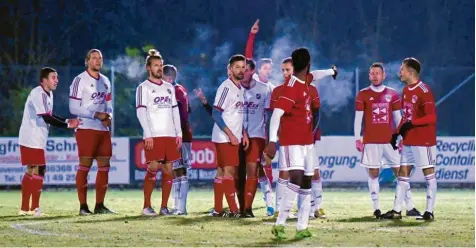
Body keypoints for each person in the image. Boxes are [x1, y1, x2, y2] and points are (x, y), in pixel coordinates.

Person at [269, 57, 337, 219]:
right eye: (283, 70)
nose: (285, 73)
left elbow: (316, 113)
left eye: (288, 69)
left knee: (313, 173)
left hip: (307, 139)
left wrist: (311, 134)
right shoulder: (278, 91)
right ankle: (280, 208)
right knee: (285, 174)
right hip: (288, 140)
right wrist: (274, 138)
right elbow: (274, 115)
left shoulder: (310, 88)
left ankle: (316, 207)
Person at [354, 62, 420, 218]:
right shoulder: (363, 94)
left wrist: (403, 136)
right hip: (371, 141)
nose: (375, 76)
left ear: (384, 76)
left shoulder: (393, 94)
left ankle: (410, 207)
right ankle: (376, 208)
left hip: (390, 141)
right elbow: (358, 119)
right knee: (373, 174)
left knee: (401, 173)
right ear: (369, 76)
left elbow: (398, 118)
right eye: (372, 73)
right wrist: (357, 138)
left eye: (378, 73)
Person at [380, 58, 437, 221]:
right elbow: (406, 116)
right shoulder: (405, 90)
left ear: (410, 72)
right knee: (402, 174)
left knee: (429, 174)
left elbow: (431, 117)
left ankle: (429, 212)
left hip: (424, 141)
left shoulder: (424, 91)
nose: (400, 72)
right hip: (409, 141)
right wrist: (396, 133)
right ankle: (397, 211)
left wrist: (412, 123)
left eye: (402, 69)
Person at [267, 48, 315, 239]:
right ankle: (279, 224)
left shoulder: (306, 80)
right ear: (308, 64)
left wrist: (331, 72)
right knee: (295, 178)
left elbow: (315, 75)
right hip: (291, 142)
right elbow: (276, 114)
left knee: (307, 182)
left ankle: (302, 227)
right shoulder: (292, 87)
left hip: (308, 142)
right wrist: (272, 142)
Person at [18, 67, 79, 216]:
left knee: (31, 169)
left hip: (34, 138)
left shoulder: (48, 94)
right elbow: (47, 117)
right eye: (53, 77)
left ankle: (25, 208)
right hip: (32, 138)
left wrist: (66, 120)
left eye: (57, 77)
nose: (57, 80)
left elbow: (50, 115)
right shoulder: (38, 93)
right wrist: (68, 125)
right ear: (44, 80)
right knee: (40, 169)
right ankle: (34, 208)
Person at [135, 49, 182, 216]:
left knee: (169, 170)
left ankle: (164, 207)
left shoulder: (169, 88)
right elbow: (141, 112)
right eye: (156, 65)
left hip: (170, 135)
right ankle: (147, 206)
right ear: (148, 68)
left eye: (161, 65)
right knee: (153, 169)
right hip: (154, 135)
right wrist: (147, 134)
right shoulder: (143, 88)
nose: (159, 68)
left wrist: (179, 133)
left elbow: (175, 111)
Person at [69, 49, 115, 215]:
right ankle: (83, 207)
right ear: (87, 61)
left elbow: (108, 104)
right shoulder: (79, 80)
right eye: (94, 58)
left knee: (104, 166)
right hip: (86, 128)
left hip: (103, 129)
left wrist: (109, 115)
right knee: (85, 166)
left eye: (100, 58)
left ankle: (100, 205)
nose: (97, 61)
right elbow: (73, 107)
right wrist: (96, 114)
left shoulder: (105, 81)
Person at [210, 54, 249, 218]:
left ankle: (218, 210)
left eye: (243, 67)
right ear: (230, 69)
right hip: (225, 137)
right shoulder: (226, 87)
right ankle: (234, 210)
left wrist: (244, 133)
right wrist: (232, 135)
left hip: (232, 136)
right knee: (229, 172)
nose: (241, 70)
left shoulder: (241, 89)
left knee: (221, 172)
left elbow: (237, 114)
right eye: (237, 67)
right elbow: (216, 113)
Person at [240, 58, 274, 217]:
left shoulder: (265, 89)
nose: (242, 72)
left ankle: (248, 208)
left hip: (256, 136)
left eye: (245, 69)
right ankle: (267, 198)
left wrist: (269, 141)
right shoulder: (235, 87)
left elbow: (269, 116)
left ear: (252, 71)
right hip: (236, 135)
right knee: (240, 171)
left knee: (253, 170)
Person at [163, 64, 191, 215]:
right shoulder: (180, 90)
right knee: (175, 170)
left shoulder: (176, 91)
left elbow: (181, 115)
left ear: (168, 78)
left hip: (180, 135)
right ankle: (176, 206)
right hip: (177, 134)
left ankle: (181, 208)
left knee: (181, 170)